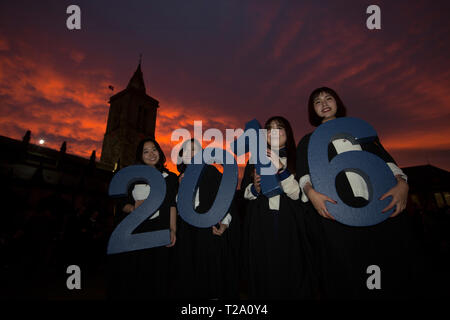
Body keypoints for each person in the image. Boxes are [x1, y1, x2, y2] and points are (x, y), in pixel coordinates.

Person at [296, 87, 424, 299]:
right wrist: (311, 194)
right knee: (349, 272)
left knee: (389, 267)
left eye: (329, 98)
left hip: (379, 205)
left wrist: (402, 184)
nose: (324, 103)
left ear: (338, 102)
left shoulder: (360, 131)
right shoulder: (309, 141)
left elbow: (388, 162)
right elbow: (304, 174)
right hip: (338, 212)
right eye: (317, 102)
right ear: (312, 110)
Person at [240, 116, 313, 299]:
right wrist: (255, 189)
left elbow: (299, 195)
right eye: (269, 129)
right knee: (262, 269)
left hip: (290, 222)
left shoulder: (299, 159)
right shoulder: (254, 160)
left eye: (279, 128)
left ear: (287, 133)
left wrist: (281, 169)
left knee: (291, 268)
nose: (274, 132)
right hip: (260, 222)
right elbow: (244, 192)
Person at [107, 138, 178, 300]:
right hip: (136, 232)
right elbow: (121, 203)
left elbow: (172, 205)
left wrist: (173, 229)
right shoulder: (131, 176)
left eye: (154, 149)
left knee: (158, 277)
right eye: (146, 151)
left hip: (159, 231)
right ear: (140, 155)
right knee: (136, 276)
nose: (151, 154)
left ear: (159, 151)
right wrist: (133, 209)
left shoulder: (170, 178)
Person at [173, 139, 240, 299]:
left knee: (210, 275)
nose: (191, 154)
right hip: (187, 233)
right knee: (189, 275)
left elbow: (226, 198)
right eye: (186, 151)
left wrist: (225, 222)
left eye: (195, 150)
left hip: (207, 229)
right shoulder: (179, 178)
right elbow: (177, 208)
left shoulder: (211, 172)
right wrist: (182, 189)